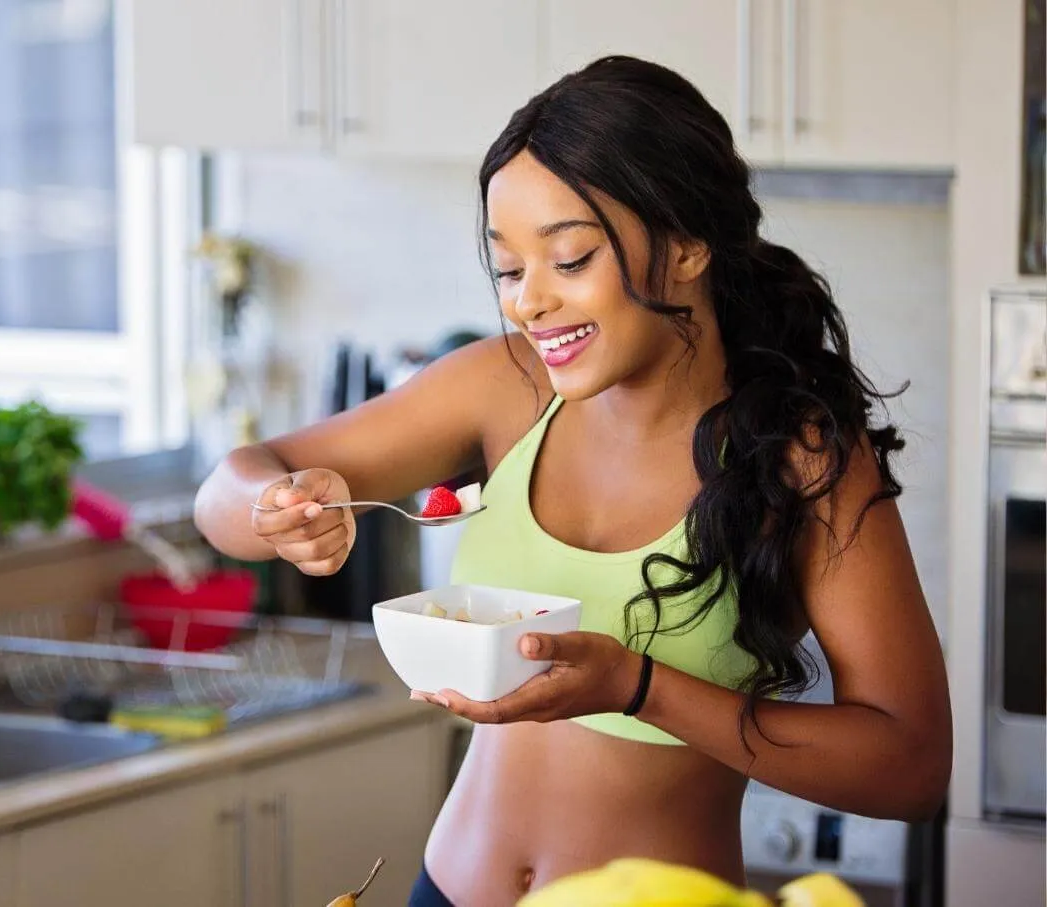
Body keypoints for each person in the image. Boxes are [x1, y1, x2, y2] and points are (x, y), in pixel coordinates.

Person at [194, 56, 952, 907]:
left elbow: (911, 766)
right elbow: (226, 488)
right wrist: (274, 509)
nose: (528, 304)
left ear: (689, 244)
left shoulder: (798, 456)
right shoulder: (501, 387)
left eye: (570, 258)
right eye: (510, 270)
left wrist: (638, 686)